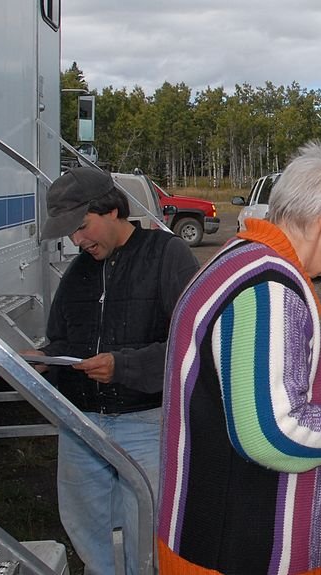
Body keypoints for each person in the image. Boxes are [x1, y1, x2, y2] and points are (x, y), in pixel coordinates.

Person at [157, 144, 321, 575]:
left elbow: (253, 381)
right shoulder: (270, 290)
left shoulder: (236, 259)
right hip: (246, 550)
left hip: (213, 538)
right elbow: (273, 434)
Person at [31, 166, 199, 575]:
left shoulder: (167, 254)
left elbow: (195, 343)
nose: (77, 240)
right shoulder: (79, 271)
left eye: (82, 226)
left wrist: (123, 366)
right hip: (81, 423)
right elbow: (62, 337)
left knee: (149, 531)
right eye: (70, 233)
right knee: (85, 524)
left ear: (111, 210)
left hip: (146, 420)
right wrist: (45, 358)